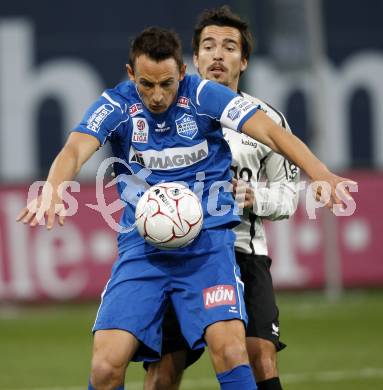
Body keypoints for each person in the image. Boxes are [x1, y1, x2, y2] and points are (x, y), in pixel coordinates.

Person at [17, 26, 351, 390]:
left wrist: (319, 172)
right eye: (146, 84)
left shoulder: (205, 95)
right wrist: (52, 187)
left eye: (167, 84)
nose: (157, 96)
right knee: (105, 367)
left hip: (207, 250)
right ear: (131, 75)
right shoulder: (115, 105)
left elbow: (270, 131)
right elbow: (75, 149)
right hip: (143, 253)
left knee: (232, 352)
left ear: (183, 72)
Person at [144, 7, 299, 390]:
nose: (217, 54)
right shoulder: (163, 117)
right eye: (208, 46)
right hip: (180, 255)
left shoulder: (267, 121)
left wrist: (254, 198)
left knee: (260, 354)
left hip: (244, 252)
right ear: (193, 59)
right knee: (163, 370)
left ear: (243, 60)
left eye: (229, 47)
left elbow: (288, 197)